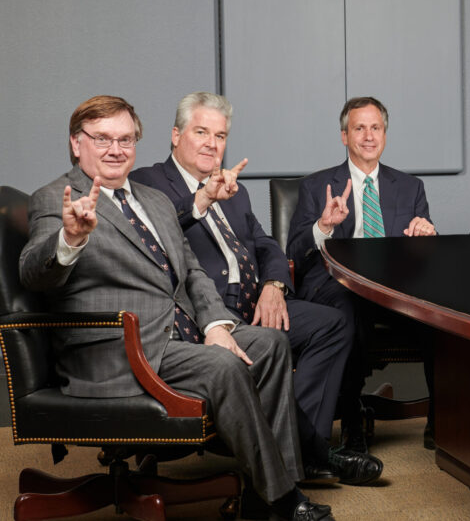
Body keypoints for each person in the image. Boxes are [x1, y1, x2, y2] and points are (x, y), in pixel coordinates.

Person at [19, 95, 331, 520]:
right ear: (77, 144)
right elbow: (34, 272)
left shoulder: (155, 200)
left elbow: (192, 274)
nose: (116, 149)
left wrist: (218, 325)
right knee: (225, 367)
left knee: (271, 344)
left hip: (175, 336)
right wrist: (70, 239)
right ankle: (283, 501)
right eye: (103, 139)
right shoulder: (55, 197)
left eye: (126, 139)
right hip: (117, 351)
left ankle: (266, 491)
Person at [129, 92, 382, 486]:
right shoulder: (148, 183)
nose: (213, 143)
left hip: (256, 302)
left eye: (221, 135)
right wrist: (203, 198)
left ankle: (294, 446)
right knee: (279, 342)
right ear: (176, 136)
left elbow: (265, 245)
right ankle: (311, 452)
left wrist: (274, 284)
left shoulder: (236, 190)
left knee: (332, 324)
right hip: (205, 313)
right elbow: (158, 236)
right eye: (201, 132)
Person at [286, 96, 437, 450]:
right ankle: (352, 420)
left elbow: (427, 255)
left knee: (441, 317)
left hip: (395, 290)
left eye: (376, 128)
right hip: (337, 288)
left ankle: (442, 419)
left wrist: (427, 236)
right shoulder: (316, 186)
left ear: (385, 134)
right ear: (344, 136)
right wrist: (323, 225)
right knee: (348, 309)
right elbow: (293, 252)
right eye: (359, 128)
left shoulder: (411, 187)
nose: (368, 136)